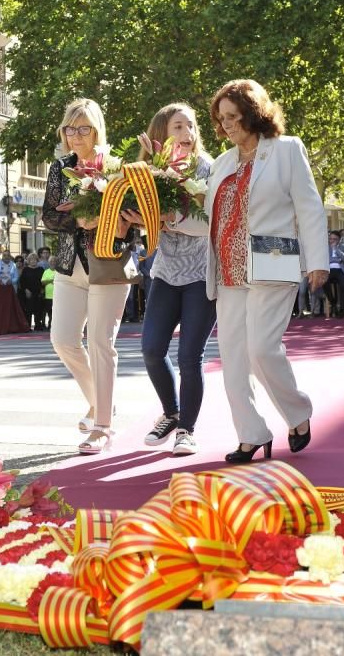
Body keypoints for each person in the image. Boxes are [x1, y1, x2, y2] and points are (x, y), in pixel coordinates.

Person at [205, 79, 327, 464]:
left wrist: (318, 260)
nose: (225, 125)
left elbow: (308, 206)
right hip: (227, 267)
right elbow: (206, 218)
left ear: (253, 113)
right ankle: (251, 433)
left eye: (232, 116)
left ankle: (297, 411)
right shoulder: (222, 163)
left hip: (273, 257)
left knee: (260, 349)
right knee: (234, 359)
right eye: (220, 118)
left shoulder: (287, 150)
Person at [41, 98, 133, 454]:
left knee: (100, 343)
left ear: (97, 130)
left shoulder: (116, 168)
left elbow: (134, 219)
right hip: (68, 265)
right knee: (63, 339)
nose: (75, 135)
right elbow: (49, 216)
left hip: (107, 263)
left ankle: (103, 426)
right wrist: (79, 219)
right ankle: (101, 402)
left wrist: (118, 222)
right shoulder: (59, 168)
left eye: (83, 128)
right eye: (69, 128)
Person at [127, 102, 216, 456]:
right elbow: (141, 218)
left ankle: (187, 430)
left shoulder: (210, 168)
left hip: (200, 274)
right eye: (178, 127)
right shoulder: (147, 174)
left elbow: (211, 222)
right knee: (151, 350)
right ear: (160, 136)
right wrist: (133, 218)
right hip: (165, 272)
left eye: (191, 125)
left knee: (189, 356)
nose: (187, 133)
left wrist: (166, 219)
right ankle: (171, 412)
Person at [324, 231, 344, 318]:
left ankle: (342, 309)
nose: (332, 241)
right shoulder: (325, 247)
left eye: (334, 239)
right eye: (330, 239)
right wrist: (337, 260)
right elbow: (326, 260)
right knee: (324, 281)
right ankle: (333, 303)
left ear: (339, 240)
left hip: (341, 270)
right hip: (329, 270)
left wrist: (336, 249)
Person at [18, 252, 46, 331]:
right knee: (28, 310)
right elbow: (22, 281)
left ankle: (38, 325)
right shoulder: (26, 269)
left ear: (37, 260)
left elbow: (43, 280)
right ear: (29, 261)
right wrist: (26, 290)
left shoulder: (41, 269)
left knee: (38, 310)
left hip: (38, 292)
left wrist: (42, 289)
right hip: (28, 292)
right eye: (31, 260)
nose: (33, 261)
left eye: (35, 260)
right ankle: (28, 326)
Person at [41, 256, 57, 327]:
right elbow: (43, 282)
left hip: (57, 295)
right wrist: (51, 280)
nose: (53, 263)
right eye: (51, 262)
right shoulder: (46, 271)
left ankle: (53, 325)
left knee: (56, 312)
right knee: (49, 311)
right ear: (49, 263)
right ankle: (49, 324)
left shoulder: (59, 272)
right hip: (48, 295)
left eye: (54, 261)